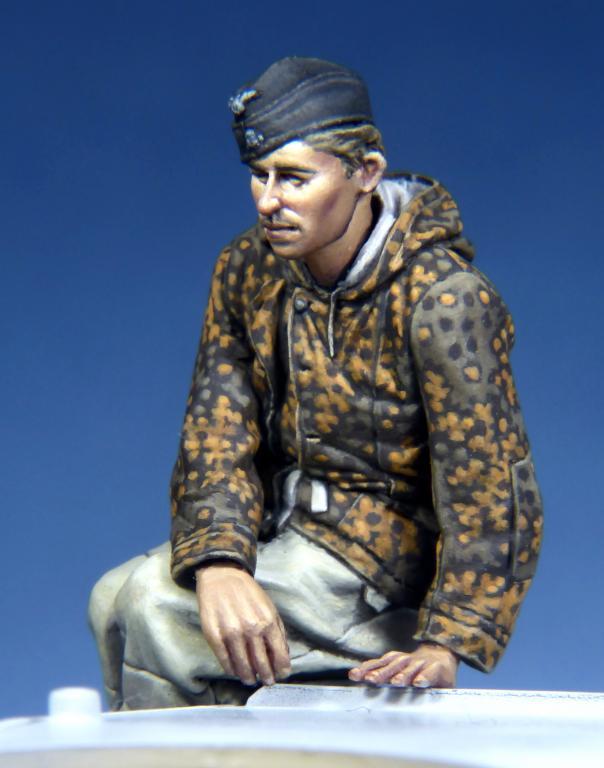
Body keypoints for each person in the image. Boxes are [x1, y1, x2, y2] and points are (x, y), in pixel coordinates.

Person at [89, 57, 543, 711]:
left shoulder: (445, 300)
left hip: (379, 565)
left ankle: (195, 748)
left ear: (366, 174)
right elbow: (216, 430)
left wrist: (448, 638)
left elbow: (492, 486)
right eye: (260, 175)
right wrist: (219, 561)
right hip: (283, 528)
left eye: (295, 178)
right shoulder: (249, 269)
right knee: (110, 600)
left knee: (155, 610)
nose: (268, 200)